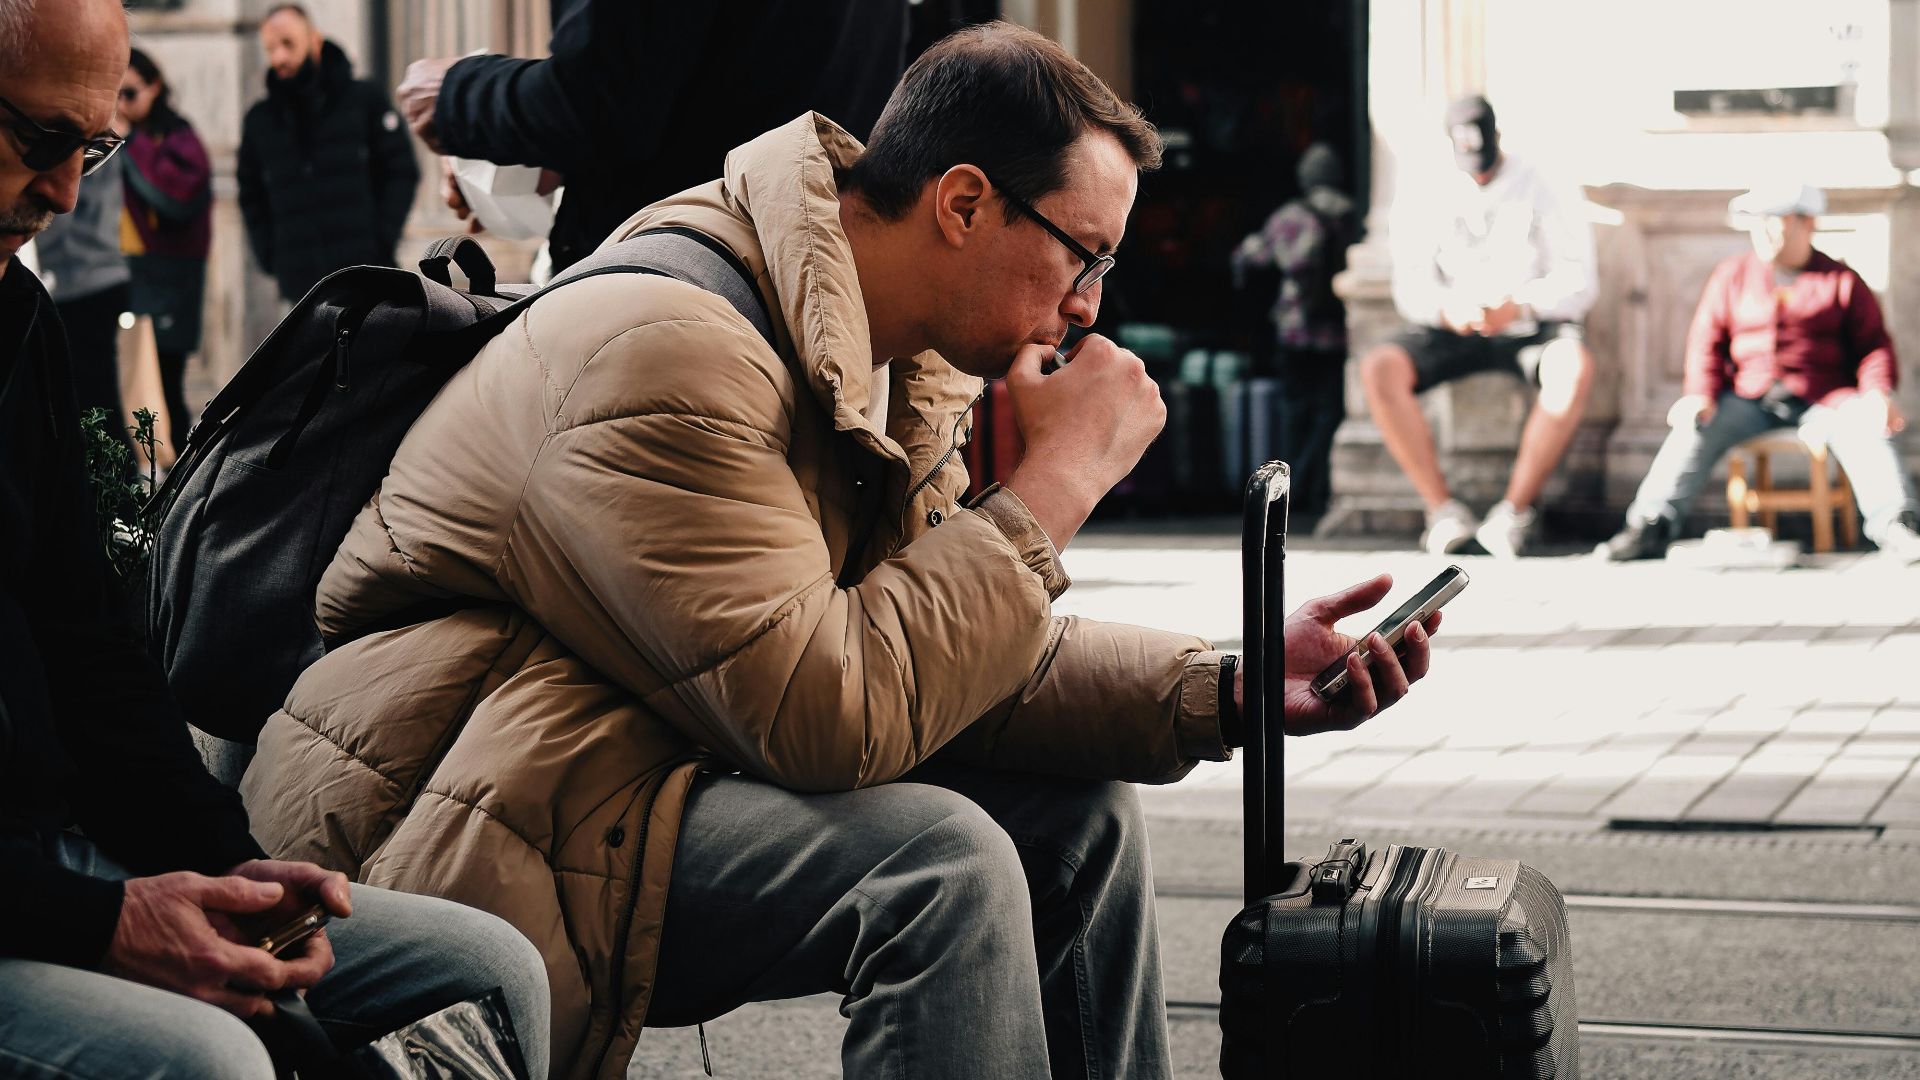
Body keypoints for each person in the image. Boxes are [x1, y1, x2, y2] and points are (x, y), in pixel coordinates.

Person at [242, 23, 1441, 1080]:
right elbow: (833, 710)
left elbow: (935, 656)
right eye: (1087, 255)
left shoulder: (884, 349)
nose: (1090, 306)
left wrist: (1229, 685)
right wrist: (1057, 484)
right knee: (940, 862)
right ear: (964, 204)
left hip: (629, 757)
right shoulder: (674, 353)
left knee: (1076, 821)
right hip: (453, 813)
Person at [0, 3, 552, 1077]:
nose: (69, 191)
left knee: (491, 968)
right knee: (216, 1061)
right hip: (36, 902)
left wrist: (237, 871)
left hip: (68, 858)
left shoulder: (21, 318)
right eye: (40, 142)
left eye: (93, 146)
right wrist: (99, 923)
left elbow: (92, 647)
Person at [395, 0, 910, 272]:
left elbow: (600, 102)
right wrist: (546, 154)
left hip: (670, 293)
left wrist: (454, 94)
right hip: (812, 278)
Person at [1599, 183, 1920, 563]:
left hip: (1823, 396)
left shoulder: (1840, 280)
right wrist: (1700, 394)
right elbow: (1706, 342)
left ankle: (1896, 525)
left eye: (1776, 221)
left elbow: (1873, 346)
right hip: (1748, 398)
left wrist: (1877, 394)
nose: (1764, 231)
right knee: (1694, 428)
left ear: (1807, 224)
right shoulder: (1732, 276)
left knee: (1867, 427)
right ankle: (1650, 523)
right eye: (1758, 222)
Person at [1360, 94, 1598, 557]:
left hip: (1531, 324)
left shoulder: (1543, 180)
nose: (1479, 171)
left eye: (1485, 161)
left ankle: (1513, 513)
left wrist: (1519, 306)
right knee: (1379, 367)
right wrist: (1448, 311)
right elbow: (1410, 285)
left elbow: (1580, 280)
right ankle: (1442, 511)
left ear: (1499, 140)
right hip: (1453, 323)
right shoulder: (1425, 184)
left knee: (1573, 367)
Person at [236, 3, 417, 304]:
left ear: (315, 40)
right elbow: (250, 192)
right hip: (301, 287)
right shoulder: (261, 120)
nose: (279, 57)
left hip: (365, 276)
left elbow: (400, 170)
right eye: (270, 49)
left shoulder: (363, 100)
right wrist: (271, 255)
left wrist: (381, 241)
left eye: (288, 44)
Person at [1232, 142, 1356, 523]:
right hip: (1338, 331)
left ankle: (1290, 488)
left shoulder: (1291, 216)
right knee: (1331, 414)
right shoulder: (1353, 212)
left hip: (1296, 330)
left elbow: (1252, 257)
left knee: (1294, 412)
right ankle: (1320, 487)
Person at [117, 46, 209, 447]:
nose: (120, 105)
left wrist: (130, 142)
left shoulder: (177, 137)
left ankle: (174, 483)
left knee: (167, 381)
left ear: (154, 87)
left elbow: (175, 198)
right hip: (124, 271)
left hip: (169, 275)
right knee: (123, 385)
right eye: (114, 94)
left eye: (130, 93)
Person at [29, 112, 127, 432]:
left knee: (91, 394)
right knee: (96, 389)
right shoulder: (101, 138)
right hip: (103, 271)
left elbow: (63, 213)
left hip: (83, 276)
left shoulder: (89, 141)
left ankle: (111, 473)